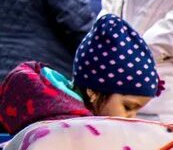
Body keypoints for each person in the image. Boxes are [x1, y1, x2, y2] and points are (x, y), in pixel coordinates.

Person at [0, 14, 163, 136]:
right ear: (94, 92)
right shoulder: (73, 130)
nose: (132, 118)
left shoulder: (59, 112)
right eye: (128, 107)